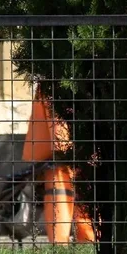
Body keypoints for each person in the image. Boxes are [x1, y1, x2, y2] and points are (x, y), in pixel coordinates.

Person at [22, 84, 95, 244]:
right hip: (66, 152)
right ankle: (86, 243)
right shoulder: (60, 79)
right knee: (77, 196)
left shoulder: (51, 79)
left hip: (57, 151)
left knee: (62, 197)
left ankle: (65, 246)